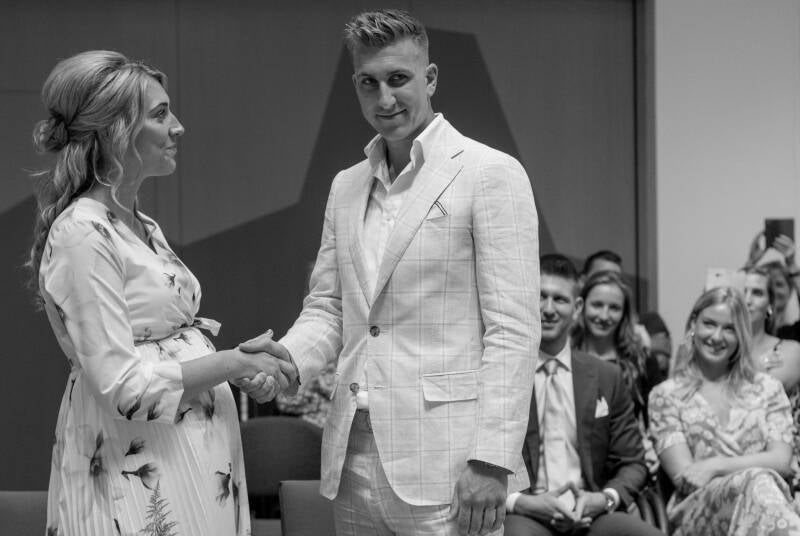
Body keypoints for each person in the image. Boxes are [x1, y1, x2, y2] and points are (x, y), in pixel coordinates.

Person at [239, 9, 539, 536]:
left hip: (453, 465)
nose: (384, 99)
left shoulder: (489, 172)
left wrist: (493, 459)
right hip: (353, 457)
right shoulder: (346, 185)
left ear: (430, 78)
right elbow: (329, 308)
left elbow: (513, 330)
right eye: (368, 82)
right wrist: (287, 360)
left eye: (398, 78)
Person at [28, 50, 294, 536]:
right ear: (116, 131)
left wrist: (240, 365)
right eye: (160, 114)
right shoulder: (83, 232)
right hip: (136, 470)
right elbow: (123, 388)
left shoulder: (140, 224)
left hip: (190, 462)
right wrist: (232, 363)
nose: (178, 127)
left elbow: (166, 348)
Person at [504, 254, 661, 536]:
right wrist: (520, 502)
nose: (548, 309)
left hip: (591, 511)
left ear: (577, 308)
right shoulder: (504, 373)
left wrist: (604, 499)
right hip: (527, 512)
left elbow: (633, 462)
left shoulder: (606, 376)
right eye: (541, 297)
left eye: (559, 299)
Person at [648, 287, 800, 536]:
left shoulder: (768, 388)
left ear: (741, 335)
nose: (717, 336)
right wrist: (748, 474)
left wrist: (716, 465)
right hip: (697, 512)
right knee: (758, 482)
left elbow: (781, 461)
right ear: (694, 324)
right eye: (709, 324)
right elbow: (686, 477)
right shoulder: (665, 395)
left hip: (768, 505)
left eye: (729, 329)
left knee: (760, 486)